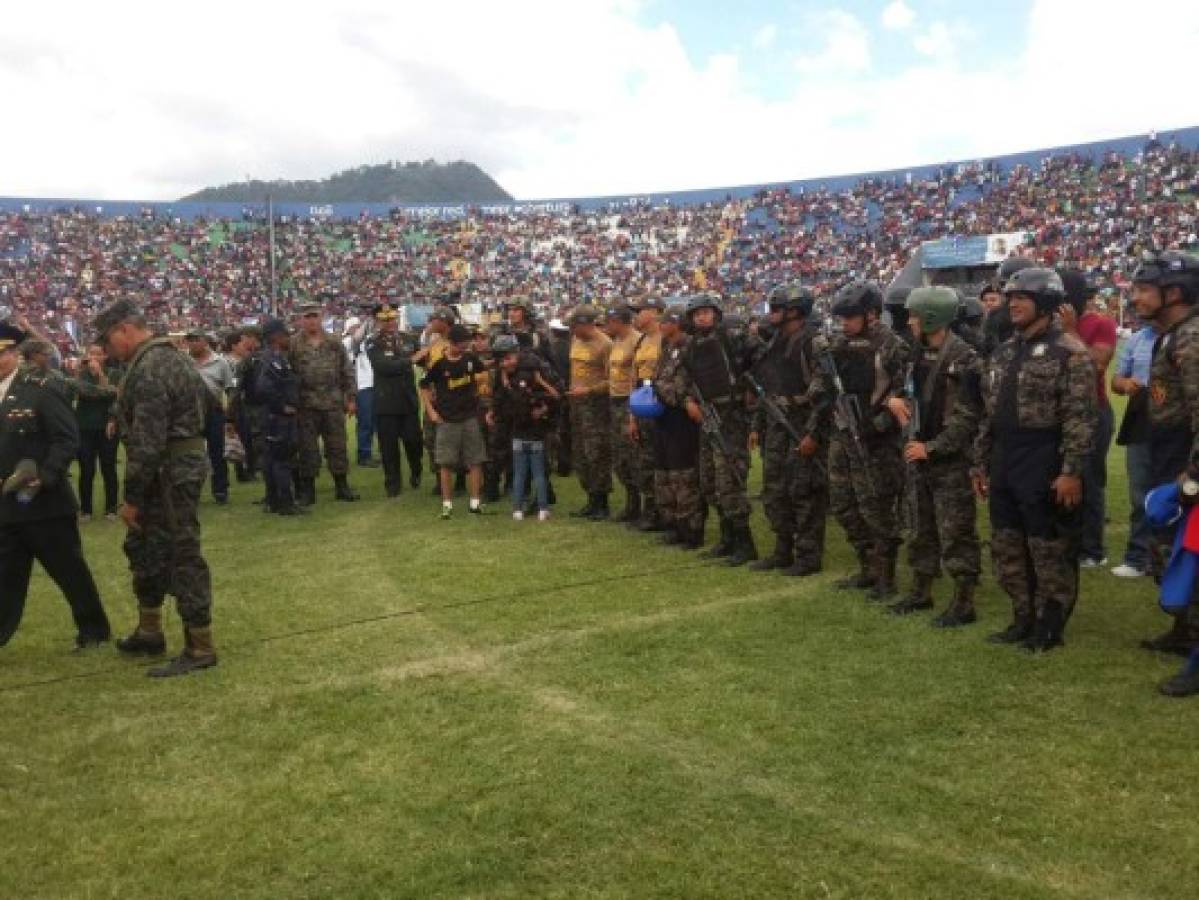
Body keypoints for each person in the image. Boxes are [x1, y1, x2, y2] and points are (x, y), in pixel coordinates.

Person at [973, 268, 1096, 652]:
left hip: (1045, 456)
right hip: (1006, 457)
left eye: (1022, 298)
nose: (1013, 304)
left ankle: (1050, 624)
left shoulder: (1071, 352)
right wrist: (980, 464)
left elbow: (1081, 417)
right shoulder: (1005, 351)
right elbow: (990, 414)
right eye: (1010, 298)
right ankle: (1022, 616)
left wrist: (1071, 471)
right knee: (1008, 542)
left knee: (1048, 545)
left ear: (1044, 302)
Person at [93, 299, 217, 677]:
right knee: (144, 547)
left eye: (109, 342)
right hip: (174, 467)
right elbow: (210, 404)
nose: (108, 351)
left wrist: (130, 498)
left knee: (182, 555)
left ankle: (200, 646)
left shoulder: (150, 367)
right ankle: (150, 630)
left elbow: (147, 442)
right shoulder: (172, 357)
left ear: (124, 331)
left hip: (166, 473)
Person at [0, 320, 111, 652]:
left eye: (3, 353)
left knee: (69, 571)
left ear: (14, 354)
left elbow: (66, 439)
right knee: (5, 577)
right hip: (6, 507)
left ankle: (93, 630)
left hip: (44, 504)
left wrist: (43, 477)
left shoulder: (42, 387)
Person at [811, 280, 910, 599]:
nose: (844, 323)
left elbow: (905, 393)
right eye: (841, 318)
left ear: (870, 314)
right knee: (842, 503)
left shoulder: (891, 345)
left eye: (850, 317)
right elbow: (823, 380)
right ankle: (866, 566)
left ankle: (885, 575)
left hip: (875, 440)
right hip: (843, 432)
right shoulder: (839, 343)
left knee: (876, 508)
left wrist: (877, 424)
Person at [892, 287, 983, 626]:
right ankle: (921, 590)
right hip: (918, 451)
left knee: (955, 530)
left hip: (949, 459)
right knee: (920, 527)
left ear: (932, 317)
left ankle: (964, 601)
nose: (911, 322)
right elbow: (907, 391)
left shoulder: (965, 359)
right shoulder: (917, 353)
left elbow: (967, 417)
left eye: (915, 315)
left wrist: (931, 448)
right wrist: (896, 402)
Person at [1133, 251, 1199, 661]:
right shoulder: (1172, 336)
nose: (1135, 298)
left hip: (1186, 461)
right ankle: (1183, 628)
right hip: (1168, 452)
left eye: (1143, 289)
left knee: (1187, 553)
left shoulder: (1191, 340)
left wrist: (1192, 477)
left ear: (1173, 292)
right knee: (1166, 550)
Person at [748, 283, 828, 577]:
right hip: (777, 423)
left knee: (804, 492)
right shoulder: (776, 343)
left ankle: (808, 555)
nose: (771, 314)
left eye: (777, 309)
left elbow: (826, 394)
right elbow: (766, 387)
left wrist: (814, 434)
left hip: (803, 422)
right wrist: (757, 424)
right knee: (775, 489)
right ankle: (783, 549)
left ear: (794, 311)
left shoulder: (814, 343)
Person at [678, 292, 761, 566]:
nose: (702, 316)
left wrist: (749, 389)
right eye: (697, 313)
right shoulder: (690, 346)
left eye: (706, 311)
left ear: (715, 314)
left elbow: (760, 355)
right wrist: (689, 400)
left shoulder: (732, 338)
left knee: (730, 481)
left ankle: (744, 544)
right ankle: (727, 540)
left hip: (731, 417)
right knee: (710, 481)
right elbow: (685, 379)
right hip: (707, 416)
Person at [1057, 268, 1116, 568]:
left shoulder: (1101, 324)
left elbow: (1098, 364)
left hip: (1093, 412)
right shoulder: (1048, 326)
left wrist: (1070, 332)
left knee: (1090, 481)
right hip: (1061, 414)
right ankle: (1070, 542)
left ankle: (1093, 550)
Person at [289, 302, 359, 504]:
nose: (311, 320)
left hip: (332, 403)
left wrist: (351, 398)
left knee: (337, 446)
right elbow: (288, 375)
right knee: (307, 448)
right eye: (307, 317)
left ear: (321, 317)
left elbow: (347, 370)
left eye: (315, 316)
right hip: (306, 405)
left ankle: (342, 486)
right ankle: (308, 491)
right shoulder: (294, 344)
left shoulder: (334, 342)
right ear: (301, 319)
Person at [420, 323, 488, 519]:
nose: (464, 349)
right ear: (451, 343)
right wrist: (431, 411)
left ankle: (475, 503)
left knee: (475, 461)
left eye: (467, 345)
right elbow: (423, 386)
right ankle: (447, 505)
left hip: (469, 418)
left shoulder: (470, 359)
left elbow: (483, 372)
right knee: (445, 463)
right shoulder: (438, 365)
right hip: (447, 420)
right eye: (461, 345)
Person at [490, 338, 560, 521]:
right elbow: (499, 395)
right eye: (500, 360)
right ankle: (523, 501)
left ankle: (541, 501)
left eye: (506, 358)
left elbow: (557, 392)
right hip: (513, 423)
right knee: (518, 467)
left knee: (540, 468)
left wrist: (545, 409)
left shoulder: (536, 367)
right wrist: (494, 411)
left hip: (539, 426)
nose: (503, 364)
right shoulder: (502, 372)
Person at [1109, 314, 1158, 577]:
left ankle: (1172, 559)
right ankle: (1138, 557)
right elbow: (1116, 380)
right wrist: (1125, 383)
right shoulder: (1138, 339)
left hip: (1178, 423)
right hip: (1141, 419)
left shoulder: (1188, 336)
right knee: (1140, 494)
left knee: (1180, 491)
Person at [651, 309, 704, 548]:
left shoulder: (690, 348)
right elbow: (659, 380)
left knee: (683, 475)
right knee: (664, 473)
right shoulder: (666, 348)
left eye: (666, 321)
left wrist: (666, 391)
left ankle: (691, 529)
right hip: (663, 417)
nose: (661, 325)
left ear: (678, 324)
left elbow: (688, 386)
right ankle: (672, 524)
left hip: (682, 418)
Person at [366, 302, 422, 497]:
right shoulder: (373, 342)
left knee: (414, 442)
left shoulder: (409, 339)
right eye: (385, 319)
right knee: (389, 447)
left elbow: (424, 358)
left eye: (392, 318)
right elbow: (384, 367)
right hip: (387, 402)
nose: (390, 322)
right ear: (377, 321)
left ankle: (416, 471)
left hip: (408, 400)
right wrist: (410, 361)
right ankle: (393, 484)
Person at [565, 305, 613, 520]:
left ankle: (602, 501)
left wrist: (590, 390)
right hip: (577, 405)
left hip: (596, 406)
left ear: (585, 324)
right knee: (581, 453)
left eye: (574, 326)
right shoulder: (576, 341)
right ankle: (590, 498)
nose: (572, 330)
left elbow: (613, 379)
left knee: (597, 453)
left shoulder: (605, 345)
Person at [255, 319, 305, 515]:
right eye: (286, 335)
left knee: (272, 460)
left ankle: (274, 501)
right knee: (281, 460)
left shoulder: (275, 358)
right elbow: (263, 388)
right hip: (277, 419)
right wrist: (283, 407)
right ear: (276, 337)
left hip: (273, 418)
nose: (289, 339)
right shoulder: (272, 360)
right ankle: (286, 503)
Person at [71, 342, 120, 521]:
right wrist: (77, 371)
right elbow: (75, 392)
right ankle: (85, 510)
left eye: (97, 354)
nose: (93, 357)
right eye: (90, 353)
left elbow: (114, 395)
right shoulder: (81, 375)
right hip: (84, 427)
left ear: (105, 356)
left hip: (107, 427)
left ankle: (111, 508)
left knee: (108, 468)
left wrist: (99, 374)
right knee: (86, 469)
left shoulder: (114, 373)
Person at [184, 331, 234, 505]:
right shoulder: (182, 361)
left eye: (196, 339)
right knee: (190, 454)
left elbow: (230, 388)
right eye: (190, 340)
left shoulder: (220, 362)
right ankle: (191, 491)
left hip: (214, 412)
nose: (193, 343)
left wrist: (230, 415)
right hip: (189, 413)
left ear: (205, 341)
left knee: (217, 453)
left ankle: (220, 490)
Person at [627, 297, 663, 530]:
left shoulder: (664, 339)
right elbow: (633, 377)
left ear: (654, 312)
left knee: (660, 460)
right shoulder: (641, 341)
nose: (636, 316)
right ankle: (650, 510)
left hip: (661, 402)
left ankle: (663, 512)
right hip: (642, 401)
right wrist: (632, 416)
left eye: (640, 311)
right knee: (644, 460)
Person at [605, 305, 643, 523]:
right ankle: (631, 502)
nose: (608, 325)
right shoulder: (617, 341)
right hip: (615, 400)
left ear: (619, 321)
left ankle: (640, 504)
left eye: (610, 321)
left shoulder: (635, 340)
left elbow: (637, 375)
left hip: (629, 401)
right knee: (620, 457)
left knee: (633, 454)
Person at [344, 315, 379, 468]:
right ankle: (363, 455)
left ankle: (369, 453)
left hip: (373, 384)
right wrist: (367, 322)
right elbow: (356, 339)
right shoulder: (346, 342)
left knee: (374, 422)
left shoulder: (367, 341)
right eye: (355, 326)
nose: (357, 328)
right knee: (365, 422)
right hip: (361, 386)